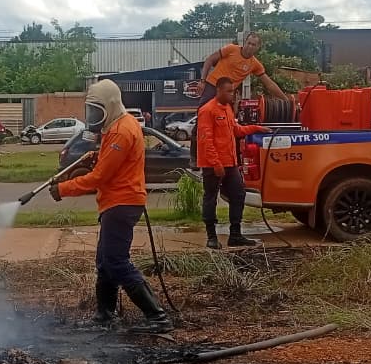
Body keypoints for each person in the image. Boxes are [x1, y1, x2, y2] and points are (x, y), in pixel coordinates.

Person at [50, 79, 174, 333]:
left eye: (98, 110)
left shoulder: (120, 131)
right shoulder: (118, 125)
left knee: (116, 262)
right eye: (91, 110)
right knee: (105, 262)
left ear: (111, 105)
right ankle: (105, 315)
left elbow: (99, 178)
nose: (94, 116)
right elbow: (112, 163)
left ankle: (158, 318)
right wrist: (98, 155)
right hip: (116, 202)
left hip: (122, 203)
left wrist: (64, 188)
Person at [191, 32, 287, 166]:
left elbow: (269, 84)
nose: (250, 46)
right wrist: (202, 81)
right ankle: (194, 158)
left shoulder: (255, 64)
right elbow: (210, 60)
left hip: (228, 94)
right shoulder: (231, 49)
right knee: (202, 119)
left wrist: (285, 100)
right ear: (244, 42)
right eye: (248, 43)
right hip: (212, 86)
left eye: (253, 45)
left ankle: (233, 159)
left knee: (231, 125)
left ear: (257, 47)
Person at [197, 76, 270, 249]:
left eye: (233, 91)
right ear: (219, 90)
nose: (232, 94)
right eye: (228, 91)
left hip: (230, 163)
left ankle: (235, 235)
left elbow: (235, 130)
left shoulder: (228, 109)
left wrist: (256, 128)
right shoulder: (207, 110)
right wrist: (216, 164)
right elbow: (206, 140)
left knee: (238, 195)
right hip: (213, 164)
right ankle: (211, 236)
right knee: (211, 198)